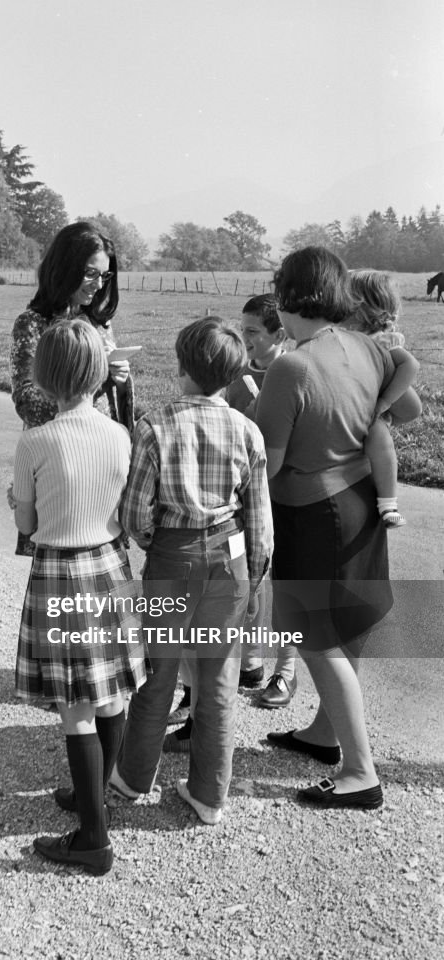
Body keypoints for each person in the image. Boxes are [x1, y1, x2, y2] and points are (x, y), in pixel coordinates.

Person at [255, 247, 421, 810]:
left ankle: (360, 771)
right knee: (344, 628)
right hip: (361, 503)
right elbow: (405, 405)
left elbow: (267, 466)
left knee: (313, 636)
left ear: (287, 297)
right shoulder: (367, 347)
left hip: (312, 514)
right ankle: (326, 736)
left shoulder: (291, 367)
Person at [110, 317, 273, 825]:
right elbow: (260, 520)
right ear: (234, 373)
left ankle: (134, 777)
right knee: (218, 675)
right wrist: (255, 577)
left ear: (180, 366)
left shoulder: (154, 426)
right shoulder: (248, 430)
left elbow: (136, 513)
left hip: (172, 557)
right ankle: (209, 794)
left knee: (156, 670)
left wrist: (153, 542)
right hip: (230, 557)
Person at [12, 319, 147, 876]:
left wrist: (23, 501)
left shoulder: (36, 440)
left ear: (44, 375)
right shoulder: (120, 433)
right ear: (99, 372)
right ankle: (92, 798)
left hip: (61, 571)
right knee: (111, 694)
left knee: (76, 710)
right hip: (111, 566)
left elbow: (27, 519)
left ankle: (92, 838)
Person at [10, 222, 134, 554]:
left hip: (103, 463)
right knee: (58, 573)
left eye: (104, 276)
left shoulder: (100, 323)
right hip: (58, 464)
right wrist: (91, 378)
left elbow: (115, 403)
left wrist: (119, 380)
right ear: (66, 268)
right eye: (90, 274)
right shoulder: (32, 324)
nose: (98, 285)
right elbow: (27, 402)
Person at [225, 294, 298, 709]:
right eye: (244, 329)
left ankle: (285, 672)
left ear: (279, 335)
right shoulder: (234, 376)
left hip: (285, 495)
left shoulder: (295, 373)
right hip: (243, 498)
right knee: (248, 581)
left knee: (287, 585)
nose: (245, 338)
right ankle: (250, 661)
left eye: (253, 331)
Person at [343, 269, 420, 528]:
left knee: (380, 442)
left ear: (364, 307)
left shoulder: (381, 340)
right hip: (353, 407)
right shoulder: (344, 335)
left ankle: (388, 504)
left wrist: (385, 402)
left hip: (373, 409)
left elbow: (410, 366)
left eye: (345, 299)